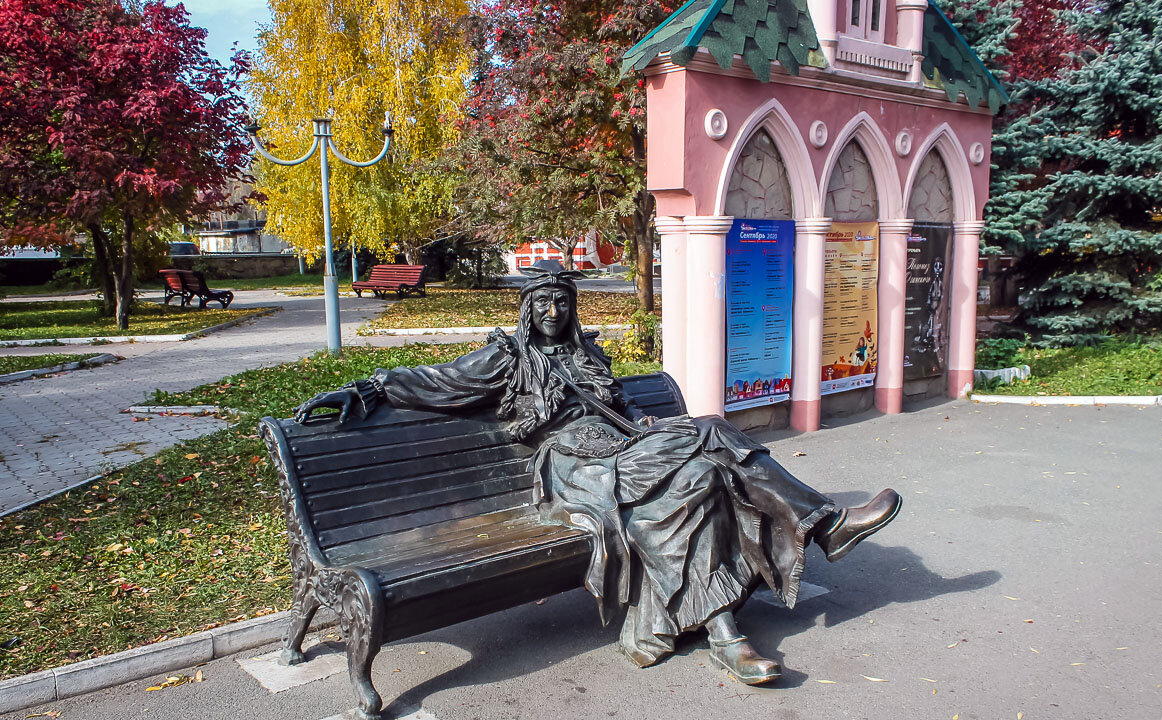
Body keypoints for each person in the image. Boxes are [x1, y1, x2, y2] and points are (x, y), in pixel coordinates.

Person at [295, 260, 901, 684]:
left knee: (702, 479)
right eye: (544, 301)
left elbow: (623, 408)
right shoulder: (507, 359)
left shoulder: (588, 355)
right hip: (574, 471)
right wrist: (366, 386)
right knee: (713, 433)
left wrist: (647, 424)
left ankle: (726, 634)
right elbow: (439, 381)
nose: (556, 309)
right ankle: (822, 527)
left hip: (625, 453)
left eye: (564, 300)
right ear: (528, 308)